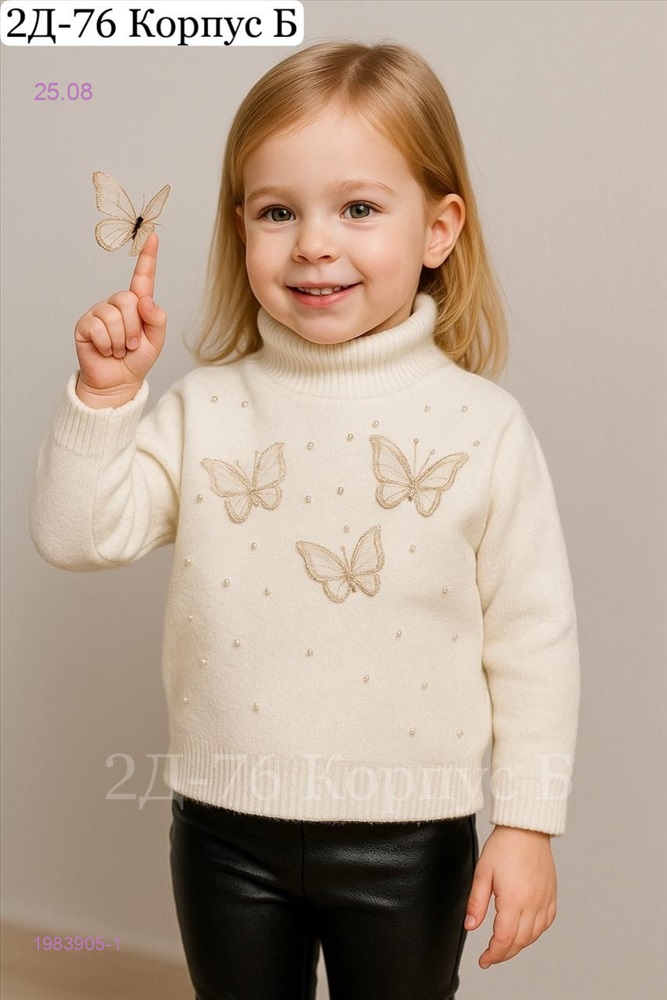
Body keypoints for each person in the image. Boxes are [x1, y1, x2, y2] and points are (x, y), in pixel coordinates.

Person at [29, 40, 580, 1000]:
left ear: (438, 229)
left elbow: (534, 637)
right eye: (277, 212)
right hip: (223, 833)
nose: (313, 244)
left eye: (358, 209)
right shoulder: (207, 408)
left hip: (408, 839)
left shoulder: (482, 427)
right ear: (239, 225)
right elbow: (78, 537)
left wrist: (527, 824)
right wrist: (104, 399)